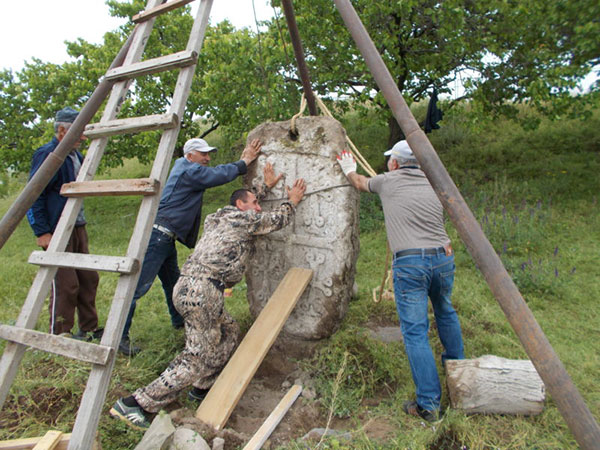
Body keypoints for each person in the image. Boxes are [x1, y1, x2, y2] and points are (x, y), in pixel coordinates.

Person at [110, 163, 306, 429]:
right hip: (203, 292)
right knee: (195, 358)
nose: (258, 206)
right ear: (241, 205)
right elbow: (276, 220)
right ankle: (137, 403)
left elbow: (246, 201)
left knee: (229, 330)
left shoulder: (217, 217)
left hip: (189, 286)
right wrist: (291, 201)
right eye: (255, 203)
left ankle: (203, 386)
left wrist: (263, 188)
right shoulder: (244, 219)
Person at [337, 140, 464, 422]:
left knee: (416, 332)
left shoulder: (388, 182)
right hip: (443, 257)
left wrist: (348, 169)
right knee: (445, 310)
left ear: (395, 163)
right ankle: (460, 376)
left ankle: (428, 404)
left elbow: (359, 182)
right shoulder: (434, 181)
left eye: (389, 160)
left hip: (410, 264)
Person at [119, 137, 263, 356]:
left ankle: (178, 322)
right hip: (158, 236)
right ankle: (118, 337)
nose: (207, 158)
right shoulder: (188, 170)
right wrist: (243, 162)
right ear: (190, 155)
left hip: (165, 237)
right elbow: (217, 175)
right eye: (203, 154)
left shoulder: (187, 169)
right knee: (137, 287)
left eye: (208, 154)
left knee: (173, 283)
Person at [27, 107, 103, 340]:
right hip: (57, 228)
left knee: (88, 278)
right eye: (78, 131)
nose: (83, 137)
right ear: (62, 131)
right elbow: (34, 194)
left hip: (77, 225)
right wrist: (42, 231)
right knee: (66, 282)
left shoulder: (75, 156)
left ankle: (89, 327)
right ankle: (61, 332)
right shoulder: (48, 155)